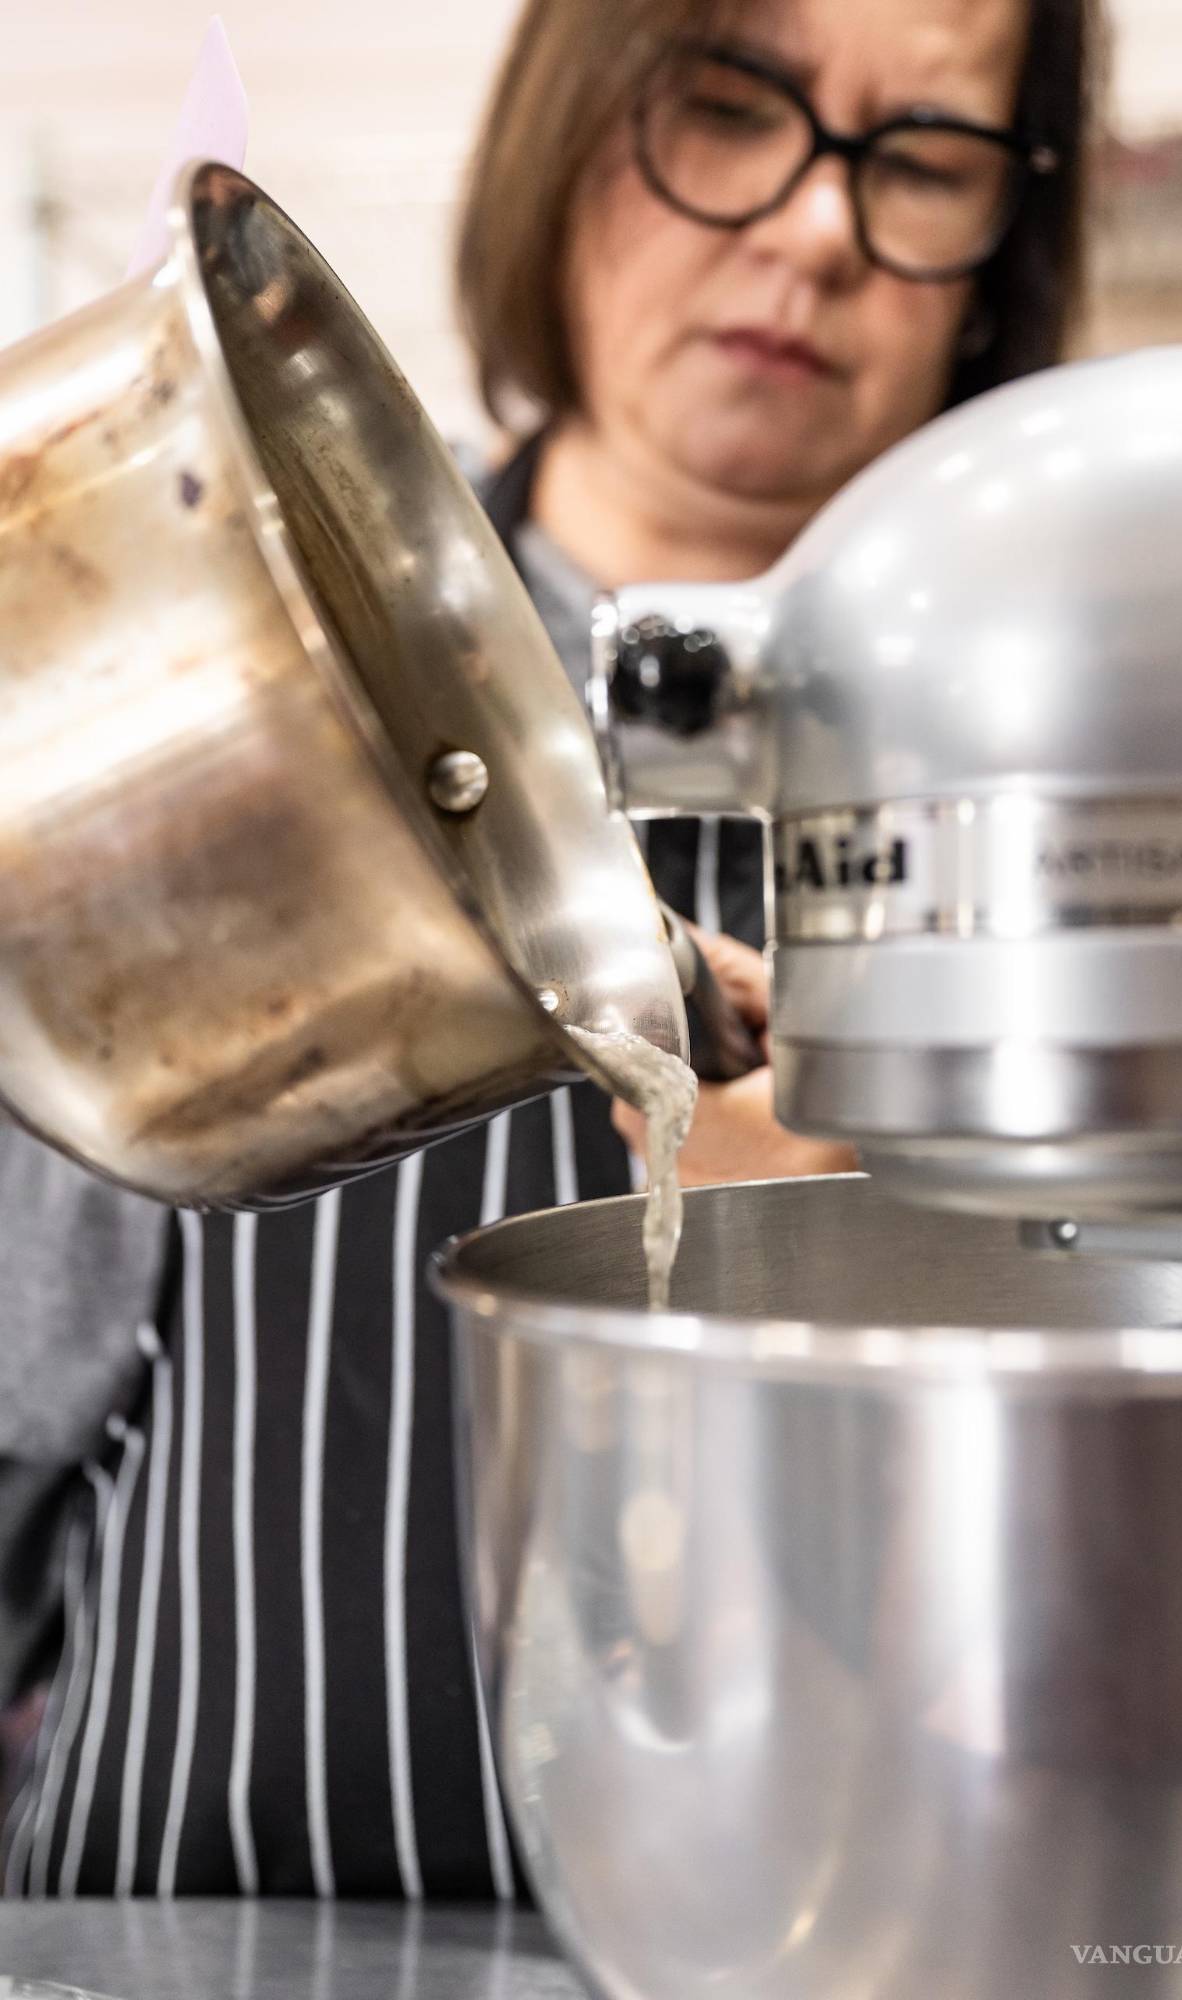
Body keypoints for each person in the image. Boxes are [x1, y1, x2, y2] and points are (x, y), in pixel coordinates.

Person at [1, 0, 1099, 1897]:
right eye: (726, 107)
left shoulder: (1090, 818)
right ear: (571, 128)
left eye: (921, 158)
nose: (814, 229)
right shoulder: (217, 732)